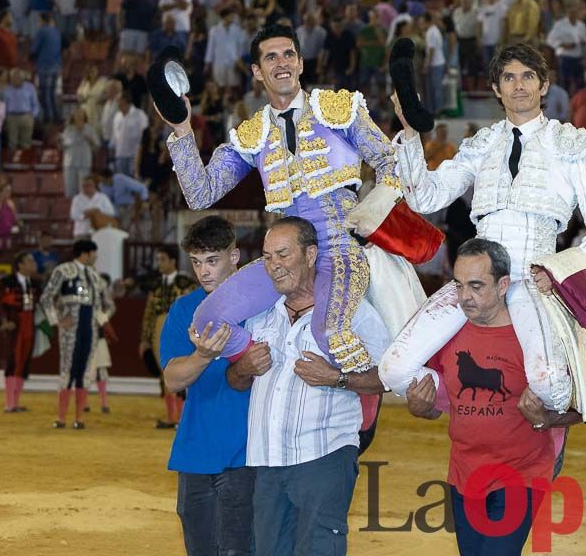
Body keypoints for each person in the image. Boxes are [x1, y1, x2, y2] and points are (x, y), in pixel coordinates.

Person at [161, 22, 433, 372]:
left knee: (332, 333)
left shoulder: (338, 109)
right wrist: (181, 129)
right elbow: (201, 193)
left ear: (301, 63)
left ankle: (371, 401)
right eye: (271, 57)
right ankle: (272, 359)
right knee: (207, 319)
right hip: (282, 258)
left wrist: (372, 211)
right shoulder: (253, 133)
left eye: (289, 54)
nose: (282, 63)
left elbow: (388, 161)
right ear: (258, 72)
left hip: (339, 249)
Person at [385, 43, 586, 423]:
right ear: (496, 89)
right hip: (477, 277)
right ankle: (460, 401)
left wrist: (561, 271)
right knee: (393, 371)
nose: (519, 86)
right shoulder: (482, 144)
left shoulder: (571, 144)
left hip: (531, 276)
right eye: (509, 78)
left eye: (528, 76)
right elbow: (425, 198)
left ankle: (545, 424)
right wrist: (410, 135)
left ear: (544, 85)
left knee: (550, 386)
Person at [403, 239, 582, 555]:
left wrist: (546, 419)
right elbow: (442, 407)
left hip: (520, 476)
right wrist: (420, 408)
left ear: (503, 285)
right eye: (458, 286)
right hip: (464, 475)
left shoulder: (535, 337)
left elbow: (581, 408)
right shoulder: (444, 334)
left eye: (476, 286)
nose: (464, 297)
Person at [227, 217, 388, 556]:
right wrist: (243, 367)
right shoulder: (259, 314)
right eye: (268, 257)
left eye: (283, 255)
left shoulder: (352, 311)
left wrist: (336, 378)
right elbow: (236, 382)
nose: (274, 266)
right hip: (267, 458)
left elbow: (387, 378)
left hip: (324, 455)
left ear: (311, 254)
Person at [160, 215, 254, 556]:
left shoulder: (263, 307)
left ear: (234, 256)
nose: (204, 272)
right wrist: (202, 355)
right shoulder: (185, 308)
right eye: (197, 262)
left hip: (248, 454)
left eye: (212, 261)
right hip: (195, 452)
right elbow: (172, 380)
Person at [40, 239, 114, 430]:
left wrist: (101, 319)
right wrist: (57, 321)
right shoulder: (63, 271)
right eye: (94, 254)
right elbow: (46, 297)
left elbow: (108, 305)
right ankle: (61, 417)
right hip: (70, 331)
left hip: (89, 330)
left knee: (84, 371)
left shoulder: (94, 276)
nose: (96, 258)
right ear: (85, 253)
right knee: (67, 370)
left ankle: (79, 418)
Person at [141, 245, 197, 429]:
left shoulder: (185, 284)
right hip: (158, 329)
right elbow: (149, 314)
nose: (159, 263)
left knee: (181, 368)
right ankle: (170, 416)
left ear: (173, 261)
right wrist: (145, 339)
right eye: (158, 260)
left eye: (162, 259)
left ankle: (181, 417)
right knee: (164, 370)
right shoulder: (156, 286)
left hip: (181, 329)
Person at [0, 251, 40, 413]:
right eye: (30, 261)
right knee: (13, 359)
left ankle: (15, 402)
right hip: (15, 323)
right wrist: (3, 322)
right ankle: (9, 403)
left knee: (24, 361)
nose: (34, 264)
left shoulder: (35, 283)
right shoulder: (7, 282)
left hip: (30, 323)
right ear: (20, 265)